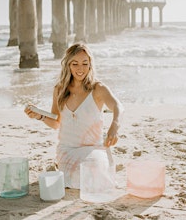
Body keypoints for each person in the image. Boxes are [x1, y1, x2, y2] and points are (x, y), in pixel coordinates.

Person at [24, 42, 124, 189]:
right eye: (75, 63)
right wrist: (39, 116)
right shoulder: (59, 89)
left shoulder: (98, 88)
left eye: (85, 63)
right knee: (80, 177)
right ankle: (61, 166)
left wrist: (114, 127)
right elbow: (56, 122)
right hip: (67, 150)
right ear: (68, 65)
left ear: (90, 65)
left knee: (95, 175)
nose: (80, 69)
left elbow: (118, 106)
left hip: (93, 148)